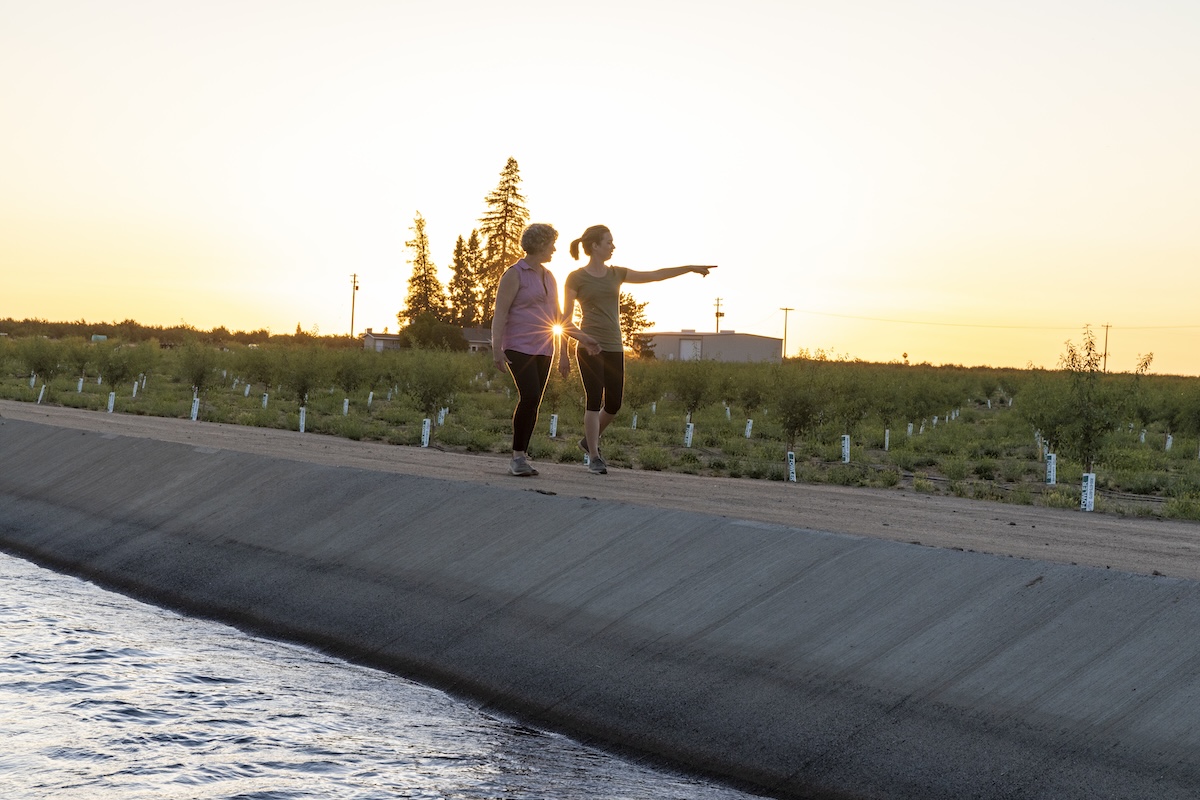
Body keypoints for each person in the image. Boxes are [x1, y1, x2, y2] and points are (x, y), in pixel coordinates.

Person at [564, 224, 716, 474]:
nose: (613, 246)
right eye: (609, 242)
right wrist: (578, 343)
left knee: (614, 404)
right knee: (593, 401)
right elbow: (564, 320)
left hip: (614, 346)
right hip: (589, 348)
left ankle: (587, 441)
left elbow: (655, 275)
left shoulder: (617, 274)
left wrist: (688, 268)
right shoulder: (576, 278)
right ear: (595, 246)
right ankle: (594, 455)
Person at [492, 223, 599, 477]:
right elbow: (500, 314)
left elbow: (557, 318)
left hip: (544, 349)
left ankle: (522, 455)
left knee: (534, 402)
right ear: (540, 244)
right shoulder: (514, 274)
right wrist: (496, 349)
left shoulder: (549, 276)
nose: (554, 248)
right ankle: (517, 457)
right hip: (518, 347)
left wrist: (574, 344)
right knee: (528, 396)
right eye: (551, 243)